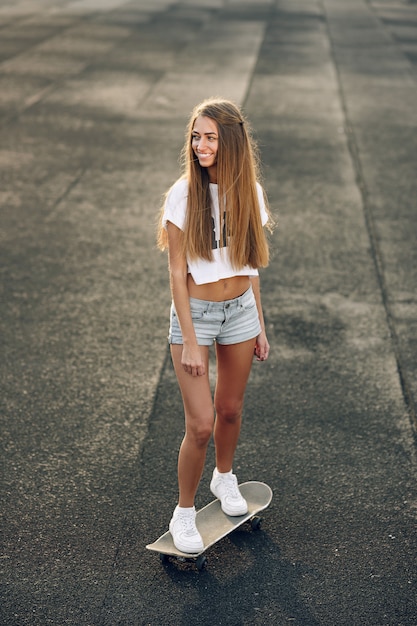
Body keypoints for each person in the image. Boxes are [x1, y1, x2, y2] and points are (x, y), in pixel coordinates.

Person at [157, 97, 273, 554]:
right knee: (201, 424)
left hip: (240, 310)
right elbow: (176, 273)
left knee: (230, 409)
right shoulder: (184, 194)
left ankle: (224, 478)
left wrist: (259, 324)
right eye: (196, 135)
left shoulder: (251, 193)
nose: (200, 144)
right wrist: (189, 339)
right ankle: (183, 511)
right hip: (198, 318)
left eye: (210, 137)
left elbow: (251, 266)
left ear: (232, 143)